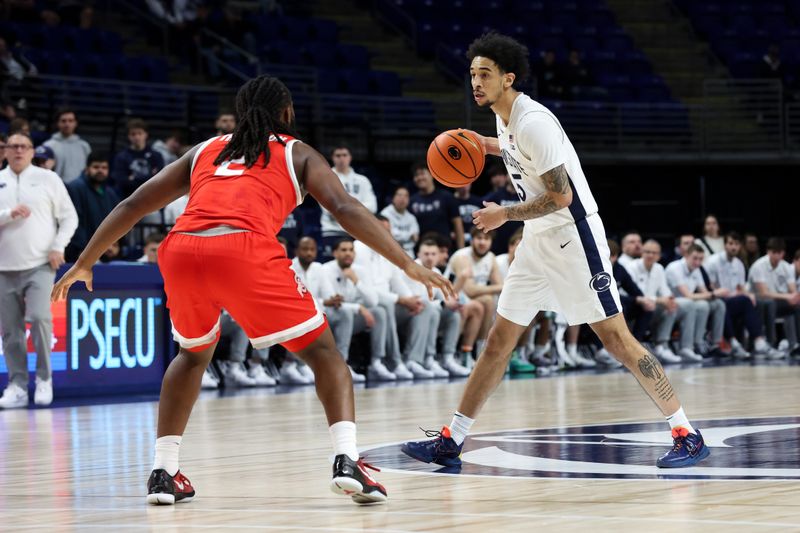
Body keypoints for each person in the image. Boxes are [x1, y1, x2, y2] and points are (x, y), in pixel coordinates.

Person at [51, 76, 453, 505]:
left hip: (182, 249)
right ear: (285, 113)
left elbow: (134, 203)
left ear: (241, 114)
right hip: (242, 247)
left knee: (191, 355)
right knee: (323, 354)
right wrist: (408, 263)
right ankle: (347, 460)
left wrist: (84, 262)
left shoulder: (206, 149)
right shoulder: (296, 151)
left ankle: (164, 470)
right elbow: (345, 207)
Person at [402, 33, 709, 470]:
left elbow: (561, 196)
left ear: (508, 79)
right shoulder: (504, 119)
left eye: (484, 74)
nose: (475, 82)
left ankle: (686, 433)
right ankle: (451, 439)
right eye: (472, 74)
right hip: (537, 242)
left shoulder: (533, 122)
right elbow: (511, 151)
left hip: (573, 239)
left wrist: (504, 214)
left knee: (617, 340)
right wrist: (480, 145)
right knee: (497, 342)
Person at [0, 133, 77, 409]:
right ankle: (18, 385)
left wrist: (58, 246)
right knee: (10, 330)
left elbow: (70, 217)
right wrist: (8, 214)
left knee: (41, 318)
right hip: (3, 267)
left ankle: (44, 379)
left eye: (24, 146)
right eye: (13, 146)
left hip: (41, 265)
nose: (18, 150)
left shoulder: (48, 179)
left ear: (33, 152)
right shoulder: (1, 181)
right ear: (5, 151)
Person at [355, 215, 436, 379]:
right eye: (382, 230)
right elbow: (369, 291)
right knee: (387, 306)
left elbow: (397, 280)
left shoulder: (389, 250)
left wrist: (412, 300)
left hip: (390, 301)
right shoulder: (358, 248)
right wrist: (400, 300)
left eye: (388, 231)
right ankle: (393, 362)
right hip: (365, 303)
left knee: (426, 307)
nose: (386, 235)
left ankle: (413, 360)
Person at [292, 236, 365, 382]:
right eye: (305, 249)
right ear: (297, 251)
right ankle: (300, 365)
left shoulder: (318, 268)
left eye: (312, 249)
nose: (309, 253)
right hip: (298, 314)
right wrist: (325, 301)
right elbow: (295, 301)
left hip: (320, 311)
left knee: (345, 312)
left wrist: (334, 299)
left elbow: (328, 295)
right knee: (302, 316)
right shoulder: (289, 269)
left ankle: (341, 364)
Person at [321, 238, 395, 381]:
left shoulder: (359, 271)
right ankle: (341, 365)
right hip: (329, 319)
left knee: (379, 312)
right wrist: (358, 307)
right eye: (343, 250)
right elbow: (333, 302)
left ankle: (376, 363)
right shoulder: (325, 270)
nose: (348, 254)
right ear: (335, 253)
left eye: (351, 250)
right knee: (346, 312)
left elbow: (373, 301)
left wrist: (356, 281)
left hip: (348, 319)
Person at [705, 232, 781, 358]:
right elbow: (710, 286)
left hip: (733, 298)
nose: (733, 247)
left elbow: (741, 288)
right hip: (717, 298)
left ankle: (759, 342)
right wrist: (721, 293)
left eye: (736, 244)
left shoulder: (739, 264)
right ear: (725, 245)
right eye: (730, 244)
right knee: (722, 304)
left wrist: (748, 294)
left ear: (740, 246)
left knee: (748, 300)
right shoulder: (713, 262)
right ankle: (734, 343)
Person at [413, 239, 471, 376]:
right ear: (418, 254)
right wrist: (444, 303)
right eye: (426, 254)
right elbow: (418, 301)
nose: (430, 257)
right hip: (413, 313)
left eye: (433, 254)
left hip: (428, 312)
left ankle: (448, 358)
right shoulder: (414, 269)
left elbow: (444, 298)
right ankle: (428, 358)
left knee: (453, 314)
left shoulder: (436, 271)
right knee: (432, 310)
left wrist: (454, 304)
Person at [665, 244, 727, 358]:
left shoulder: (696, 269)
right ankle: (693, 345)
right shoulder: (674, 268)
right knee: (701, 305)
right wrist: (714, 293)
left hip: (690, 302)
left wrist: (714, 294)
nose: (698, 262)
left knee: (719, 304)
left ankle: (715, 344)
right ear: (686, 255)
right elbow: (688, 295)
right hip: (673, 303)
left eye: (700, 259)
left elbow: (704, 292)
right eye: (695, 258)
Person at [627, 240, 681, 364]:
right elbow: (634, 295)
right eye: (647, 252)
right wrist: (659, 300)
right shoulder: (632, 267)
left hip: (651, 307)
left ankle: (662, 346)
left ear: (659, 255)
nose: (650, 255)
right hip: (634, 307)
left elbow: (666, 293)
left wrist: (668, 300)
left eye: (654, 253)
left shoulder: (659, 268)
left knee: (672, 306)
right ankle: (636, 349)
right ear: (641, 252)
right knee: (650, 305)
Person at [319, 144, 377, 259]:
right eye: (338, 155)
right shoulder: (325, 178)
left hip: (358, 233)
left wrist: (345, 208)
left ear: (350, 157)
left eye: (344, 155)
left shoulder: (362, 180)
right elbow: (328, 208)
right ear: (333, 158)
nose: (341, 159)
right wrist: (357, 208)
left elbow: (372, 207)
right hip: (332, 231)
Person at [748, 237, 800, 356]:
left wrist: (795, 297)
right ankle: (771, 343)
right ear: (768, 252)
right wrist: (788, 297)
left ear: (783, 253)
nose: (777, 256)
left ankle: (795, 344)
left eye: (779, 253)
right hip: (757, 302)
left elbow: (792, 290)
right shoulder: (759, 266)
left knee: (796, 305)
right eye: (774, 252)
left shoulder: (786, 267)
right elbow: (763, 293)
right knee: (770, 303)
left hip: (778, 301)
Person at [65, 151, 121, 262]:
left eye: (104, 168)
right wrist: (84, 248)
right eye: (96, 167)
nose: (100, 170)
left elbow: (117, 221)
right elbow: (75, 222)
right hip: (79, 253)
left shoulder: (110, 193)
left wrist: (114, 244)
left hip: (104, 252)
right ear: (87, 169)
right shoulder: (75, 187)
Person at [409, 163, 464, 250]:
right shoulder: (411, 201)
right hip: (422, 252)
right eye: (416, 175)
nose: (419, 178)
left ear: (432, 175)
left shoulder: (447, 197)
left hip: (444, 251)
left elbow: (458, 225)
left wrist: (461, 251)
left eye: (422, 173)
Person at [112, 118, 165, 200]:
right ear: (128, 136)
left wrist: (133, 178)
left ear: (146, 134)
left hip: (152, 200)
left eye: (140, 133)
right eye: (133, 134)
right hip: (128, 200)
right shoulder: (121, 157)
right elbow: (122, 182)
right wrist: (150, 176)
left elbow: (160, 181)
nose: (137, 137)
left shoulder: (156, 156)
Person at [481, 166, 524, 255]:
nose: (513, 177)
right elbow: (484, 206)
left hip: (519, 239)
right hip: (499, 240)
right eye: (511, 173)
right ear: (506, 176)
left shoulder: (524, 196)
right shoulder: (497, 195)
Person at [43, 108, 92, 183]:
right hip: (55, 188)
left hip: (78, 189)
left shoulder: (84, 146)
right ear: (57, 123)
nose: (67, 124)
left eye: (70, 121)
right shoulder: (48, 145)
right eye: (63, 121)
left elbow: (88, 170)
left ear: (76, 123)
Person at [380, 185, 419, 257]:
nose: (402, 198)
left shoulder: (411, 217)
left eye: (406, 196)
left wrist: (398, 236)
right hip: (391, 252)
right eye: (399, 195)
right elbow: (389, 236)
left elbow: (415, 238)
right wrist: (409, 235)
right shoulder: (385, 214)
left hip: (409, 252)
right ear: (393, 198)